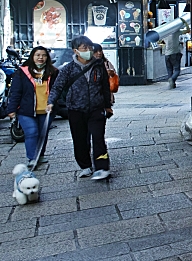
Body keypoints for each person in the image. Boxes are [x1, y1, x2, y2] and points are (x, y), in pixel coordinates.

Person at [47, 36, 113, 180]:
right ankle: (85, 166)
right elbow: (57, 87)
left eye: (90, 47)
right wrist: (51, 101)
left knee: (98, 137)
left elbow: (105, 87)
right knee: (80, 139)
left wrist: (108, 105)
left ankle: (102, 167)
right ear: (76, 50)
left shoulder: (99, 65)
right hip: (76, 109)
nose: (88, 50)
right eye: (84, 48)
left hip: (96, 108)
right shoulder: (68, 69)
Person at [7, 46, 58, 167]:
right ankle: (32, 158)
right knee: (31, 132)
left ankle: (40, 154)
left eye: (44, 55)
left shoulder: (53, 72)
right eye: (38, 55)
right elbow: (16, 92)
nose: (41, 58)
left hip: (46, 110)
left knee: (42, 134)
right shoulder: (22, 72)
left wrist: (54, 103)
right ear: (32, 57)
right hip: (26, 110)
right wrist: (11, 109)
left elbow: (58, 90)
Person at [162, 24, 184, 89]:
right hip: (175, 54)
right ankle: (172, 79)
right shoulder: (176, 32)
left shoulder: (164, 35)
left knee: (169, 70)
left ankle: (172, 84)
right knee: (177, 70)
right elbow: (188, 30)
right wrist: (184, 23)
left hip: (167, 54)